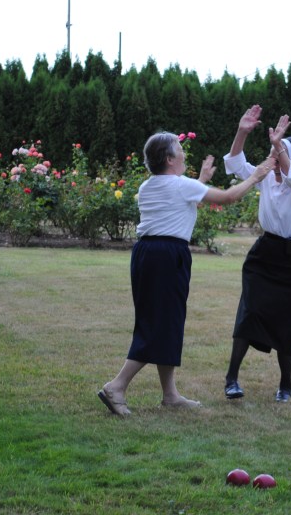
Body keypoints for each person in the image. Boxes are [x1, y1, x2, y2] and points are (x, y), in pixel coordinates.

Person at [98, 131, 275, 416]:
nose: (183, 153)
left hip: (147, 254)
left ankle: (170, 395)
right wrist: (256, 176)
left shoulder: (149, 185)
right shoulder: (181, 185)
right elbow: (228, 197)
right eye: (179, 149)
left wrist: (201, 180)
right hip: (167, 257)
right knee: (159, 324)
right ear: (169, 159)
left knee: (164, 322)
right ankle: (116, 386)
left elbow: (181, 203)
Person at [222, 105, 291, 403]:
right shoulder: (265, 175)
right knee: (249, 312)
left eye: (280, 155)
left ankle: (285, 384)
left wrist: (279, 147)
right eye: (273, 154)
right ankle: (231, 379)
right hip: (264, 256)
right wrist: (241, 132)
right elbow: (236, 163)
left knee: (288, 321)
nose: (274, 161)